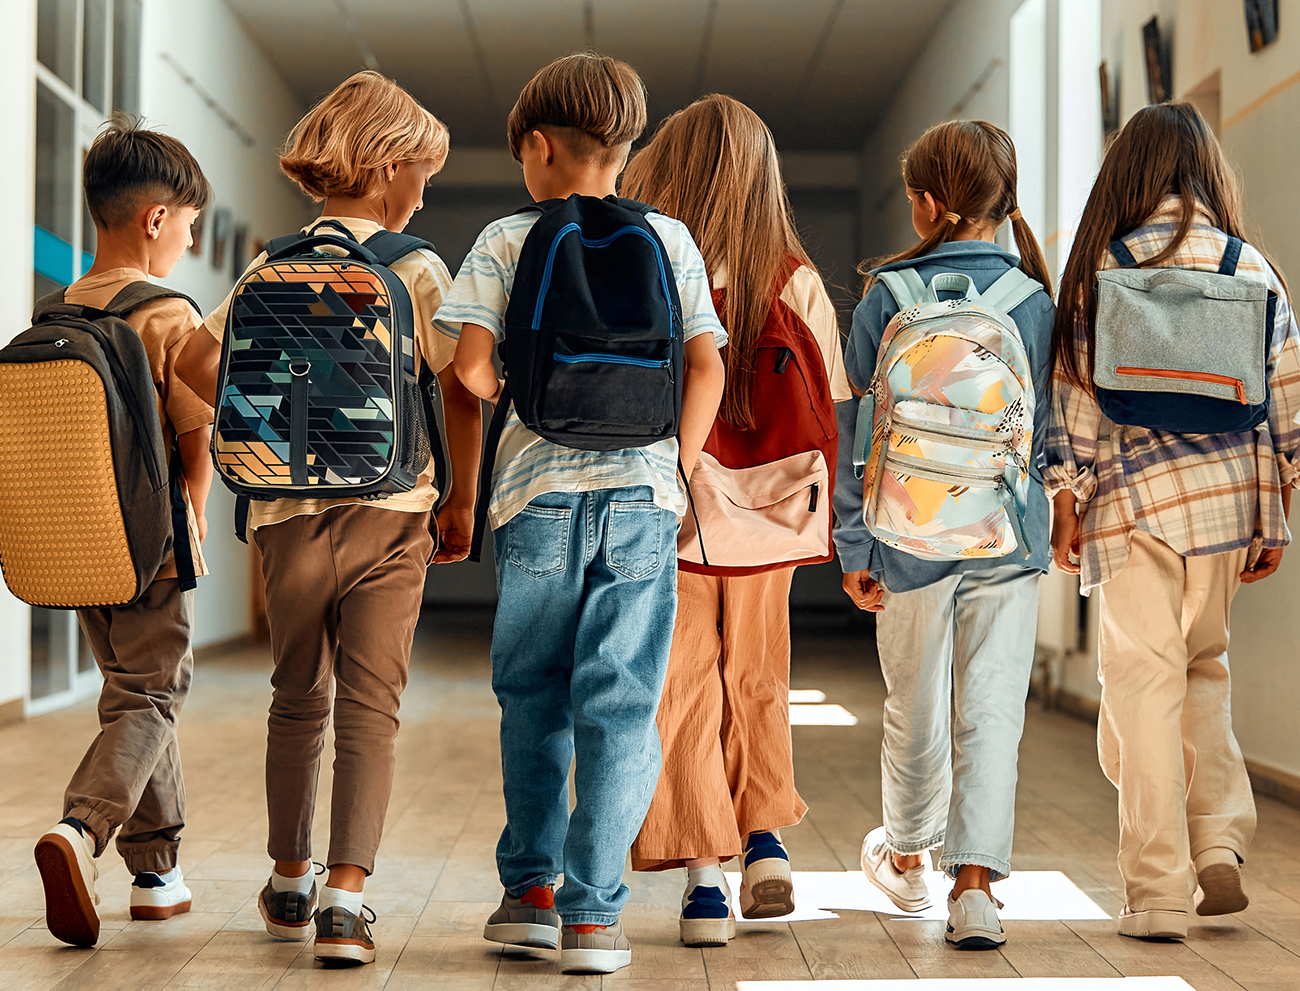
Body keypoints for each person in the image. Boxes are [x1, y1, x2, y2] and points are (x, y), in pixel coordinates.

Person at [174, 71, 483, 966]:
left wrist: (268, 427)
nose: (424, 191)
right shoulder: (416, 267)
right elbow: (459, 380)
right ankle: (346, 901)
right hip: (390, 513)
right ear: (389, 169)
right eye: (422, 173)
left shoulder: (272, 264)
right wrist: (459, 494)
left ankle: (288, 876)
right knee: (371, 708)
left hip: (281, 517)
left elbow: (196, 359)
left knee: (295, 698)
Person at [437, 52, 726, 975]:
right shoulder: (671, 239)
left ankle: (527, 891)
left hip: (537, 496)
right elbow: (708, 367)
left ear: (536, 146)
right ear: (626, 148)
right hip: (643, 496)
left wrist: (522, 388)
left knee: (533, 695)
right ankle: (595, 916)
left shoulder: (506, 237)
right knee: (623, 702)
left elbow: (472, 369)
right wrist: (672, 467)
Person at [1046, 101, 1299, 941]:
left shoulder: (1100, 269)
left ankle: (1156, 889)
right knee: (1205, 667)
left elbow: (1074, 402)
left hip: (1131, 501)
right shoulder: (1248, 265)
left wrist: (1065, 499)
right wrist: (1279, 506)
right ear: (1207, 172)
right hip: (1228, 501)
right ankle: (1219, 839)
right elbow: (1286, 398)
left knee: (1141, 685)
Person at [621, 94, 851, 946]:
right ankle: (766, 843)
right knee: (758, 671)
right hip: (769, 512)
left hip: (674, 506)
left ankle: (704, 880)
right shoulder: (794, 276)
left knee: (681, 681)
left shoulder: (655, 264)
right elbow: (836, 393)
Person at [834, 120, 1055, 949]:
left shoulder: (887, 295)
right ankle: (975, 888)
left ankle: (909, 855)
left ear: (926, 204)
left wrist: (854, 549)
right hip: (1008, 532)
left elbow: (857, 433)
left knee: (914, 703)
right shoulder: (1034, 300)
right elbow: (1053, 430)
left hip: (907, 534)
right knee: (992, 708)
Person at [33, 118, 213, 946]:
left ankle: (157, 873)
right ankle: (81, 829)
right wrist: (198, 510)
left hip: (71, 537)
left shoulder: (55, 309)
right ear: (154, 219)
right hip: (148, 542)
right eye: (188, 223)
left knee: (134, 691)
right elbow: (194, 432)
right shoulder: (167, 312)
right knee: (152, 692)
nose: (188, 237)